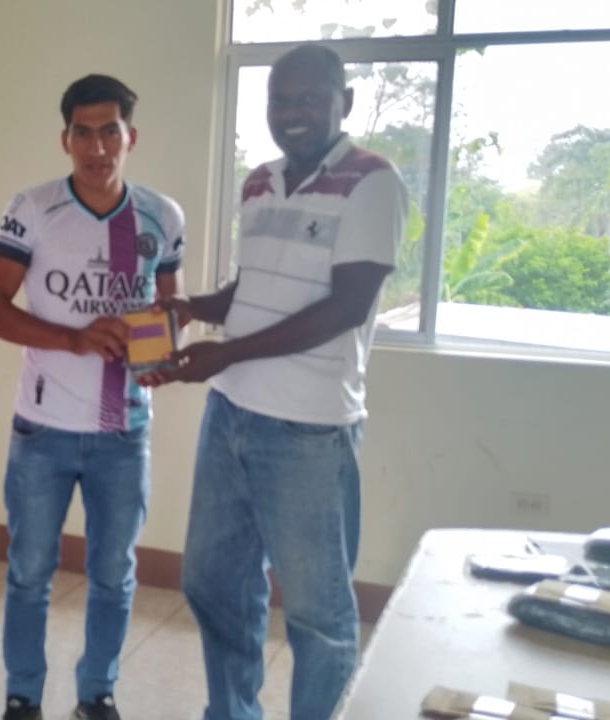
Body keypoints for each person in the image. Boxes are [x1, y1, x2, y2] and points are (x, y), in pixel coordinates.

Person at [143, 44, 406, 720]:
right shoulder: (259, 182)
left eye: (310, 98)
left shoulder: (373, 182)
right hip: (230, 415)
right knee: (213, 584)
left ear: (344, 102)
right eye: (280, 100)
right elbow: (253, 288)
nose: (292, 113)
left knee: (318, 614)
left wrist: (226, 354)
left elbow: (346, 307)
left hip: (308, 431)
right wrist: (195, 308)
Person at [0, 74, 184, 720]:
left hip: (125, 432)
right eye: (83, 133)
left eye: (109, 132)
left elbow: (171, 311)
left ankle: (97, 694)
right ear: (65, 139)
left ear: (131, 137)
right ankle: (23, 694)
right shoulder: (34, 208)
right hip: (42, 431)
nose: (97, 148)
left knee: (115, 574)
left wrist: (162, 356)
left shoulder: (162, 216)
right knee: (29, 572)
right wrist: (74, 339)